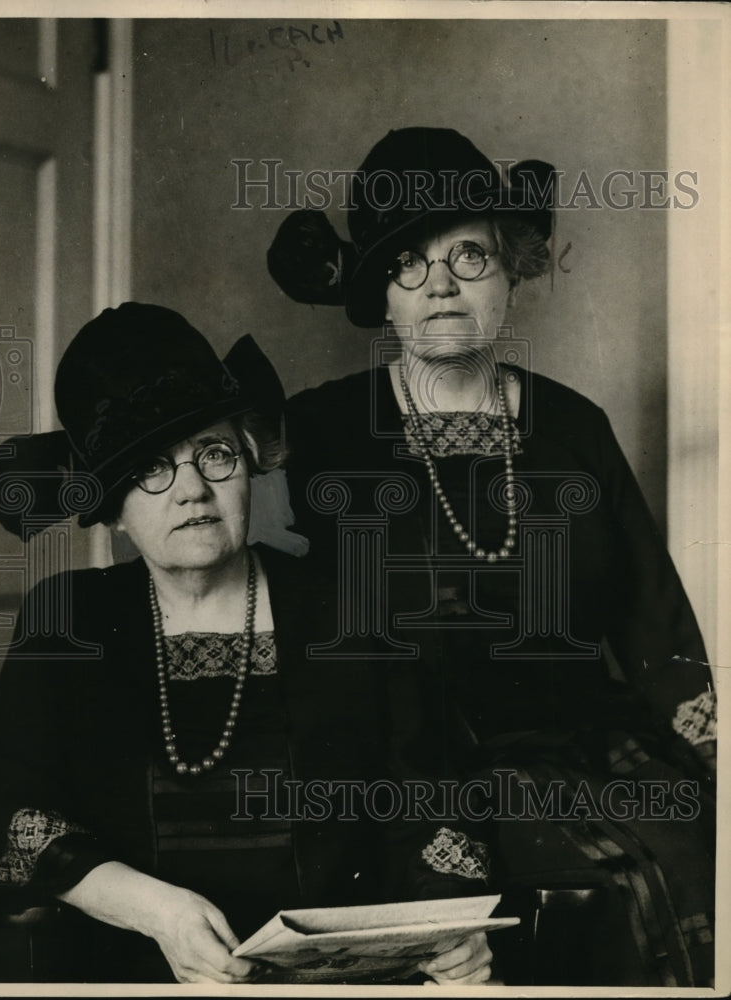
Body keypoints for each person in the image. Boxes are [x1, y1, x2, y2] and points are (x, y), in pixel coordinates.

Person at [267, 127, 716, 986]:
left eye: (468, 254)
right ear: (383, 296)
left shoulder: (573, 426)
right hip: (409, 772)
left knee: (688, 857)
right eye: (407, 261)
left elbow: (654, 622)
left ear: (512, 270)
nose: (439, 284)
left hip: (594, 749)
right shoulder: (319, 433)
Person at [0, 302, 496, 985]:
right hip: (136, 973)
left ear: (249, 462)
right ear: (115, 508)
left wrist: (450, 925)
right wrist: (154, 910)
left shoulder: (348, 607)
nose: (192, 489)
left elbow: (428, 804)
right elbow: (9, 815)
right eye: (151, 469)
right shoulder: (67, 619)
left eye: (213, 453)